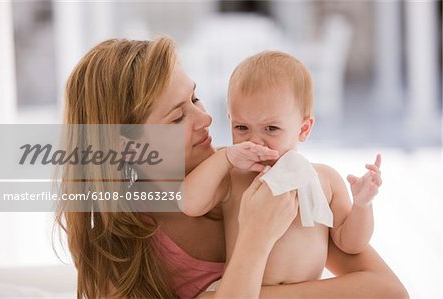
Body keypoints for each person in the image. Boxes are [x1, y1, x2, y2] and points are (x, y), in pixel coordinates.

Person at [55, 37, 408, 298]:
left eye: (194, 98)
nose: (206, 118)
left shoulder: (262, 180)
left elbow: (387, 290)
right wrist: (255, 238)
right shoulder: (119, 248)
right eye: (178, 116)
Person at [181, 51, 383, 286]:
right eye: (242, 127)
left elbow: (351, 244)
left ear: (303, 129)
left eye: (271, 129)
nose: (255, 141)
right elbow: (189, 202)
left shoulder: (324, 180)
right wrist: (225, 156)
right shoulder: (233, 176)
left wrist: (362, 205)